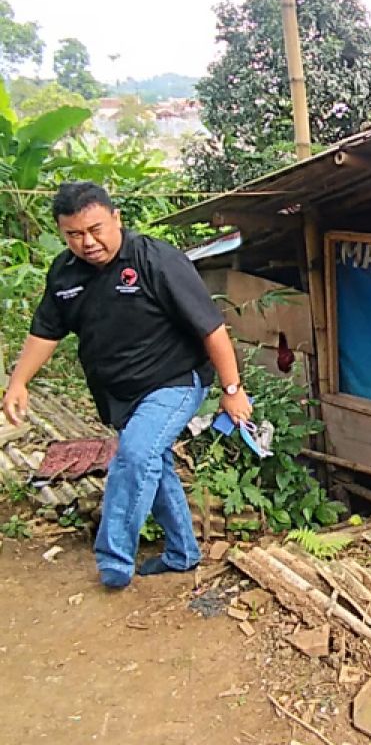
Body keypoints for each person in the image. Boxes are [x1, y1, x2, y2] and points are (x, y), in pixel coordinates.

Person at [1, 182, 252, 588]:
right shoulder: (65, 274)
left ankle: (114, 564)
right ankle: (182, 553)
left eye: (96, 229)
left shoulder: (155, 260)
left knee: (134, 456)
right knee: (155, 463)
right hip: (119, 395)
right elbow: (46, 331)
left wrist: (231, 390)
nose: (88, 242)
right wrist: (18, 383)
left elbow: (212, 328)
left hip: (174, 382)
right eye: (75, 235)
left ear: (117, 218)